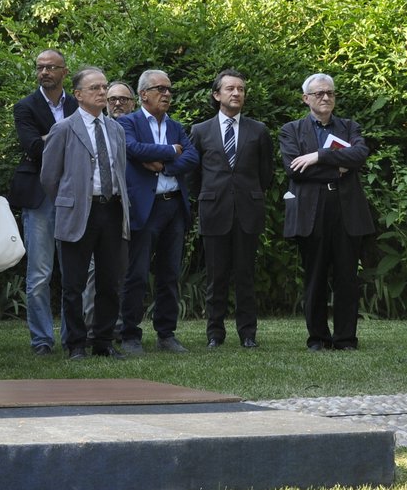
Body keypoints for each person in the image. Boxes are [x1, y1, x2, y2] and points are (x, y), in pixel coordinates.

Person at [40, 68, 132, 360]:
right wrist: (70, 201)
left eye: (104, 87)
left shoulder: (116, 128)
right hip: (79, 211)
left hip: (112, 209)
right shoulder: (64, 128)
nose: (102, 92)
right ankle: (76, 343)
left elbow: (120, 169)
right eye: (94, 88)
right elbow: (49, 176)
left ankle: (104, 340)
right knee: (74, 283)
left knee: (109, 281)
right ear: (78, 95)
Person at [280, 73, 373, 351]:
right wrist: (338, 168)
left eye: (330, 93)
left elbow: (359, 156)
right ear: (305, 98)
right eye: (319, 93)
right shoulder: (291, 130)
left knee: (347, 277)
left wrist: (318, 156)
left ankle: (346, 339)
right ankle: (318, 338)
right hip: (312, 211)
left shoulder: (349, 126)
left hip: (346, 210)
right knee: (315, 276)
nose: (325, 98)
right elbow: (294, 170)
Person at [185, 69, 273, 348]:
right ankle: (215, 334)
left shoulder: (258, 130)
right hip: (214, 212)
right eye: (230, 89)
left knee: (246, 275)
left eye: (241, 89)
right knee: (216, 276)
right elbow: (192, 175)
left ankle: (248, 334)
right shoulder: (200, 131)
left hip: (248, 212)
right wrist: (207, 198)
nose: (237, 93)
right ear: (216, 94)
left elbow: (266, 174)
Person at [117, 69, 196, 354]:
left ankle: (166, 334)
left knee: (169, 273)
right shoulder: (127, 122)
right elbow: (132, 149)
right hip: (144, 208)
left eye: (169, 89)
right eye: (160, 89)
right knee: (136, 274)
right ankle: (130, 335)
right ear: (143, 95)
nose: (166, 94)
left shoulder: (175, 126)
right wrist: (169, 150)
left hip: (173, 206)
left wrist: (164, 164)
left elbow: (192, 156)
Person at [8, 48, 76, 355]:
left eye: (51, 67)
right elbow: (34, 147)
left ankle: (75, 337)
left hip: (74, 194)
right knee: (39, 274)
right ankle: (42, 340)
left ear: (64, 72)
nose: (44, 72)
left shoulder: (78, 104)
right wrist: (67, 132)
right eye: (40, 67)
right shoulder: (25, 106)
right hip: (39, 196)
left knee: (76, 270)